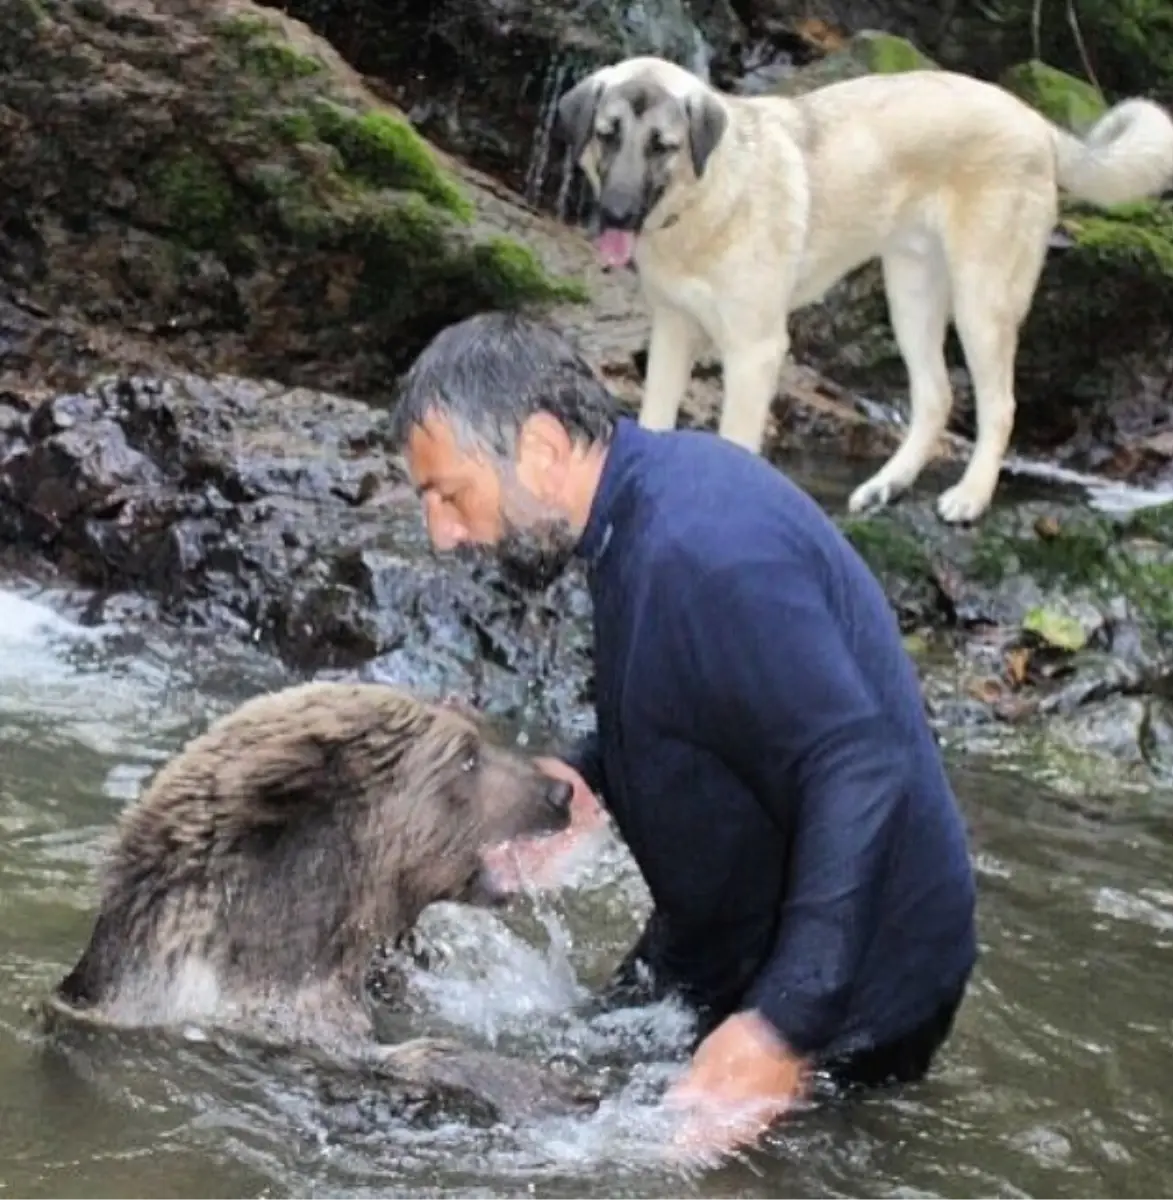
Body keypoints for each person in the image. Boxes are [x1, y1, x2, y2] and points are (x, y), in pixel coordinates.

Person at [388, 311, 978, 1160]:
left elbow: (859, 763)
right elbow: (707, 697)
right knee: (537, 1096)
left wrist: (780, 1028)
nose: (441, 533)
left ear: (543, 449)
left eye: (448, 493)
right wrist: (595, 777)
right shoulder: (642, 514)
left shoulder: (704, 549)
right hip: (723, 941)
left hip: (855, 985)